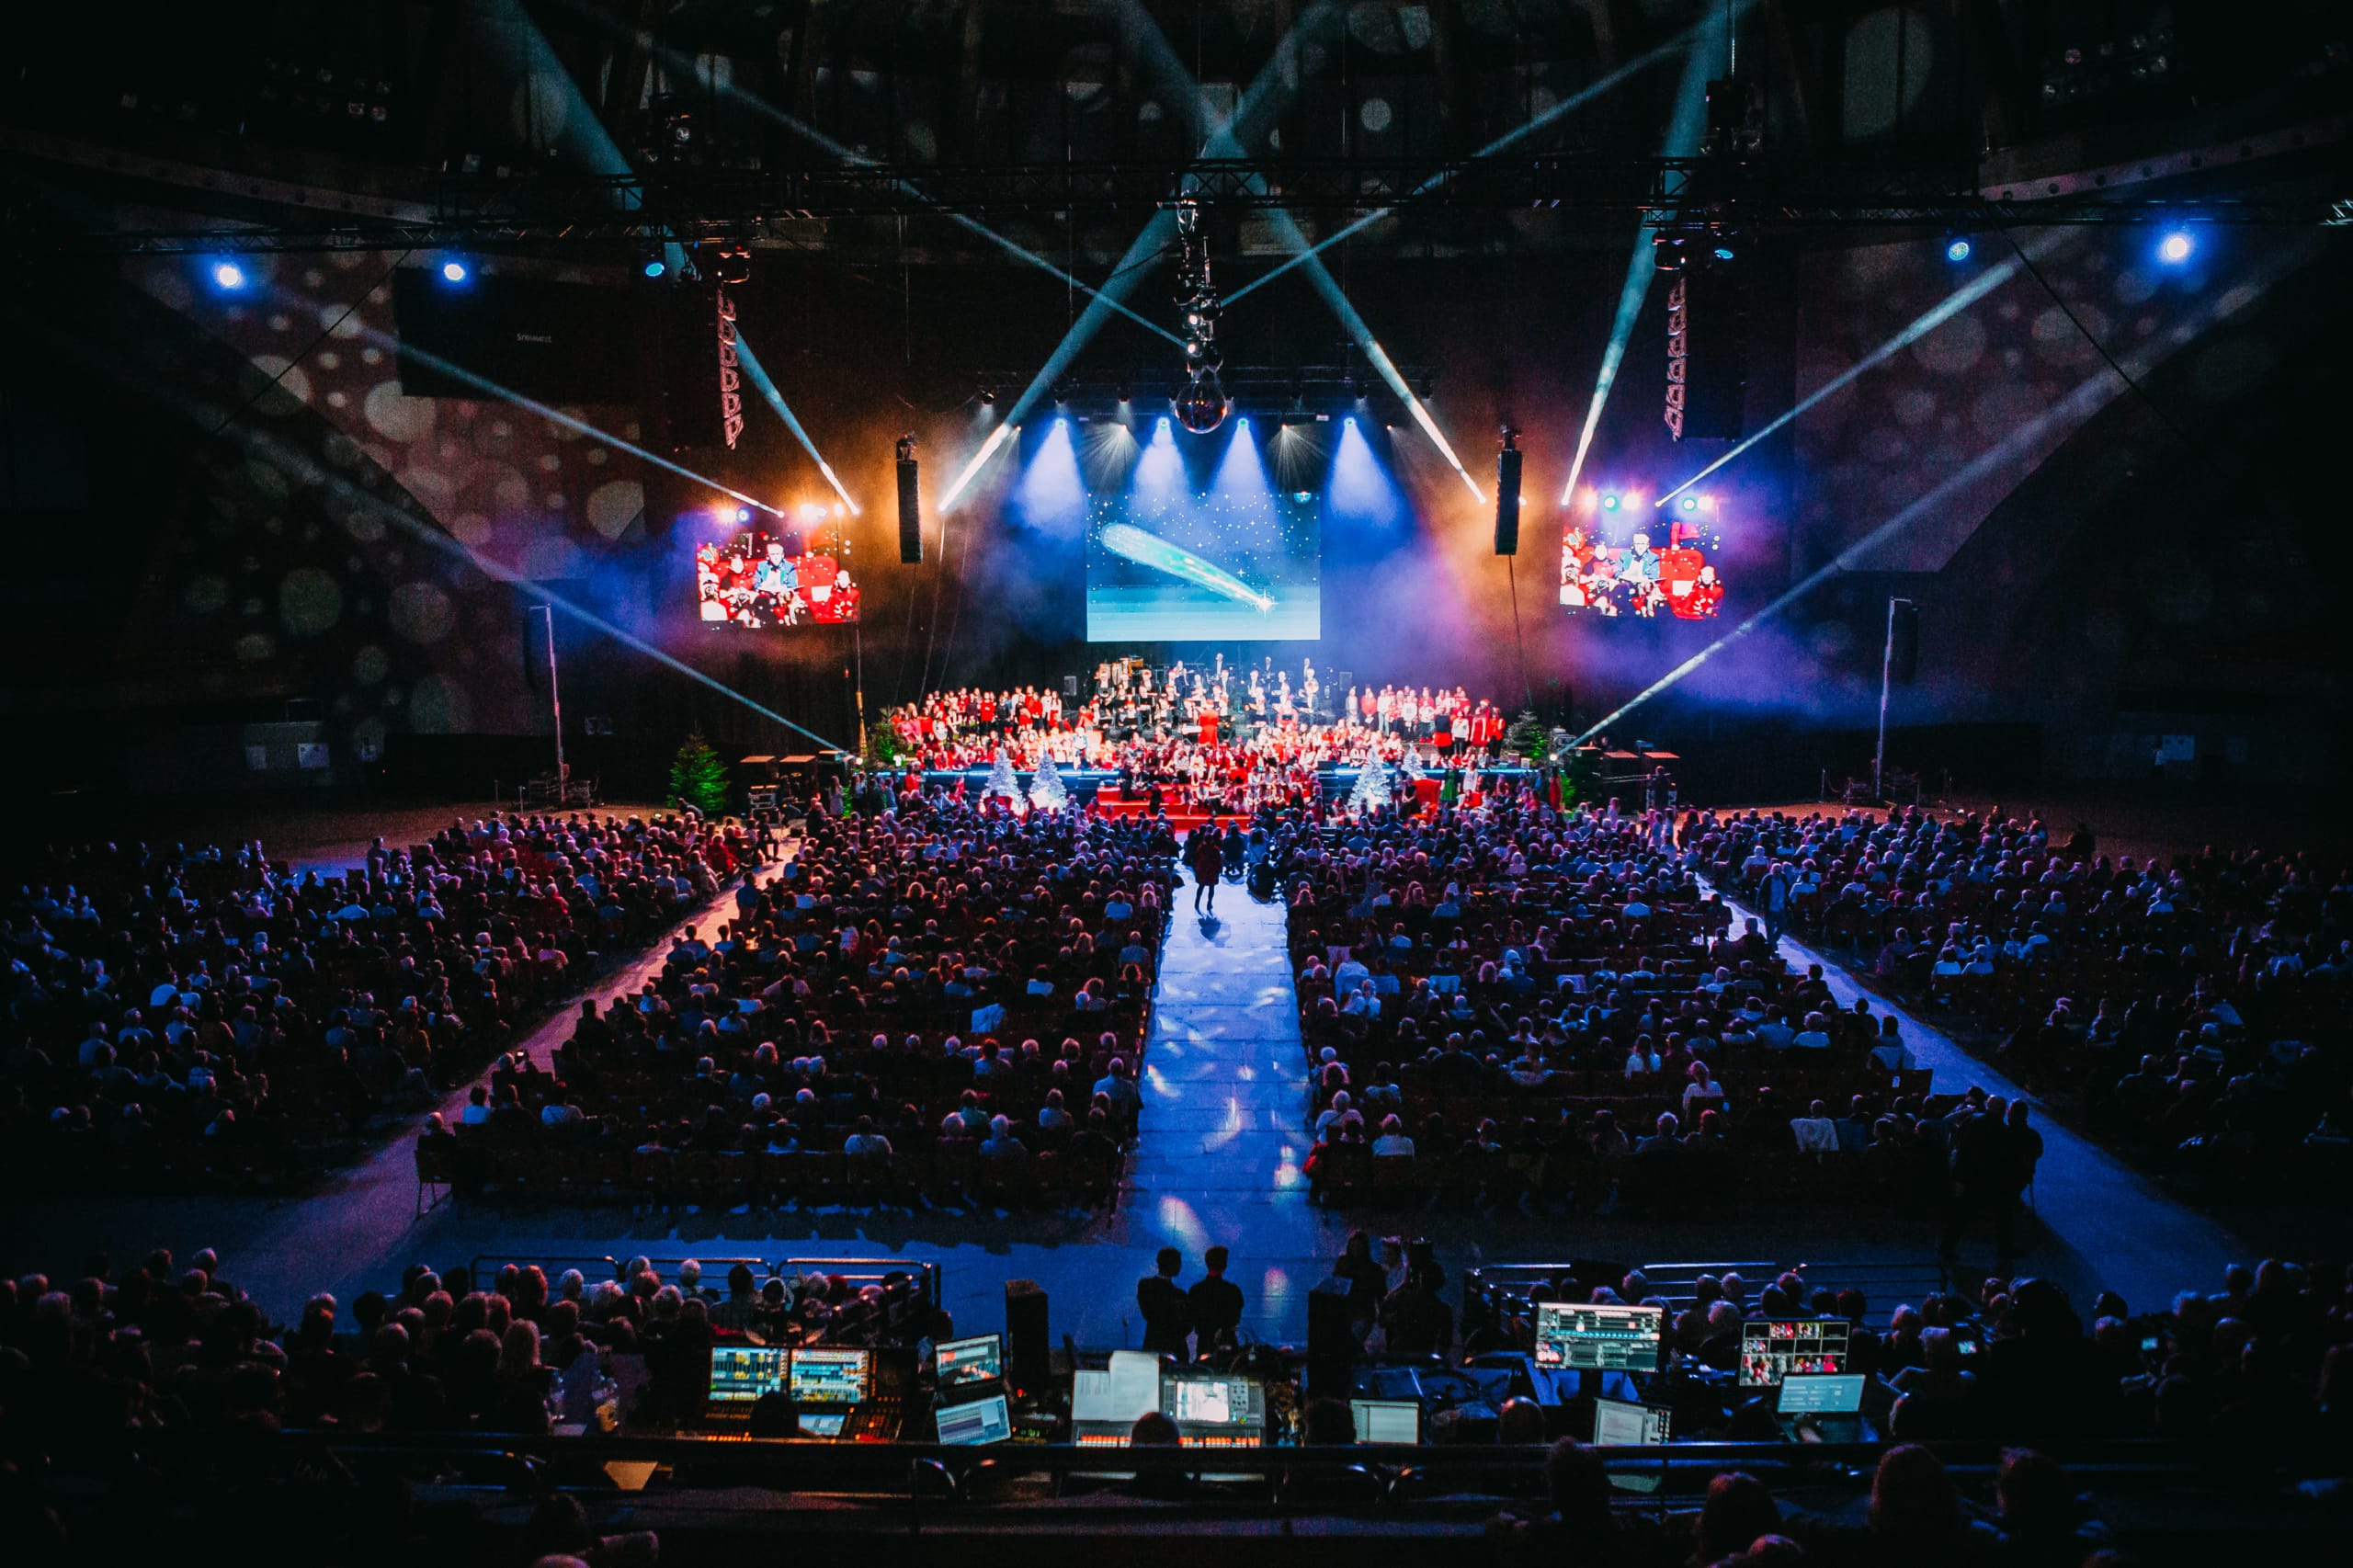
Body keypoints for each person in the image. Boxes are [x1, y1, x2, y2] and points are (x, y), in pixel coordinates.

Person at [1188, 1244, 1245, 1358]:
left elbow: (1192, 1318)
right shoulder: (1233, 1290)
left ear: (1207, 1263)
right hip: (1228, 1342)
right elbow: (1236, 1319)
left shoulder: (1196, 1290)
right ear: (1225, 1265)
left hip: (1204, 1342)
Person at [1137, 1247, 1191, 1357]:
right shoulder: (1179, 1294)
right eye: (1178, 1262)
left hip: (1155, 1344)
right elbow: (1187, 1323)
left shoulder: (1146, 1285)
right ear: (1171, 1264)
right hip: (1174, 1347)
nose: (1180, 1266)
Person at [1187, 826, 1225, 915]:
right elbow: (1219, 861)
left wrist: (1196, 869)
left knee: (1201, 886)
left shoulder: (1201, 848)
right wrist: (1219, 870)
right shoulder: (1215, 849)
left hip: (1202, 870)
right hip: (1212, 871)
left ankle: (1197, 903)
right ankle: (1209, 903)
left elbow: (1196, 858)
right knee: (1211, 887)